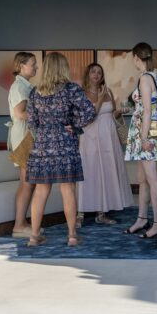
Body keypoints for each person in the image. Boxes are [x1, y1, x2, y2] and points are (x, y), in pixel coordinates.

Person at [25, 52, 96, 247]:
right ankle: (72, 236)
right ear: (63, 68)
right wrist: (75, 125)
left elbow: (31, 122)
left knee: (41, 190)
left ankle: (34, 236)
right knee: (67, 188)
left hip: (42, 146)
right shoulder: (71, 89)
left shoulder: (35, 92)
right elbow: (90, 111)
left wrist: (43, 134)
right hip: (65, 144)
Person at [123, 42, 157, 239]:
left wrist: (143, 138)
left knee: (152, 180)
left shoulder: (145, 78)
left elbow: (147, 112)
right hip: (148, 131)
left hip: (146, 133)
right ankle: (142, 219)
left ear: (136, 57)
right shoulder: (154, 76)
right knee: (142, 179)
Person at [78, 62, 133, 225]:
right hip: (90, 137)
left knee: (106, 173)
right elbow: (88, 117)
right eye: (93, 72)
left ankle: (101, 213)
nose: (96, 75)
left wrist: (120, 112)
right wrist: (100, 99)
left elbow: (112, 114)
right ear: (88, 74)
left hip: (108, 138)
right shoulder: (81, 94)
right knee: (89, 172)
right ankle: (80, 213)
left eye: (99, 73)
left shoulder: (108, 91)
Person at [7, 51, 38, 238]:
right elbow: (20, 114)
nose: (36, 67)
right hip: (24, 137)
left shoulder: (25, 86)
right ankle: (19, 225)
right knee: (26, 183)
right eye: (33, 64)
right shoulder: (19, 86)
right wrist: (44, 114)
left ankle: (22, 222)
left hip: (27, 136)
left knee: (28, 182)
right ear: (21, 66)